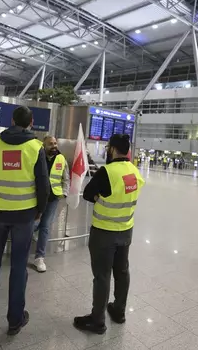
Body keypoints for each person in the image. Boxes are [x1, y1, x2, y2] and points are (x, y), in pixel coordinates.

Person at [0, 106, 49, 336]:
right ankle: (15, 320)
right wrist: (40, 210)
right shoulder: (35, 147)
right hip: (24, 215)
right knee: (18, 267)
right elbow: (43, 185)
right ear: (32, 122)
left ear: (12, 120)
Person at [73, 134, 145, 334]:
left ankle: (97, 320)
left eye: (108, 148)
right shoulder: (134, 171)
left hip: (104, 232)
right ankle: (119, 311)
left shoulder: (107, 172)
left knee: (102, 275)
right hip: (126, 231)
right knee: (122, 272)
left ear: (112, 149)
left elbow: (88, 193)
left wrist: (99, 197)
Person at [33, 136, 69, 273]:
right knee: (33, 225)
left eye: (55, 143)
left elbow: (66, 178)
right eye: (50, 144)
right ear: (44, 145)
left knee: (45, 226)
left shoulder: (61, 158)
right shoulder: (37, 157)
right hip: (36, 198)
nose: (54, 146)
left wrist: (64, 193)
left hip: (53, 198)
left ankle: (39, 257)